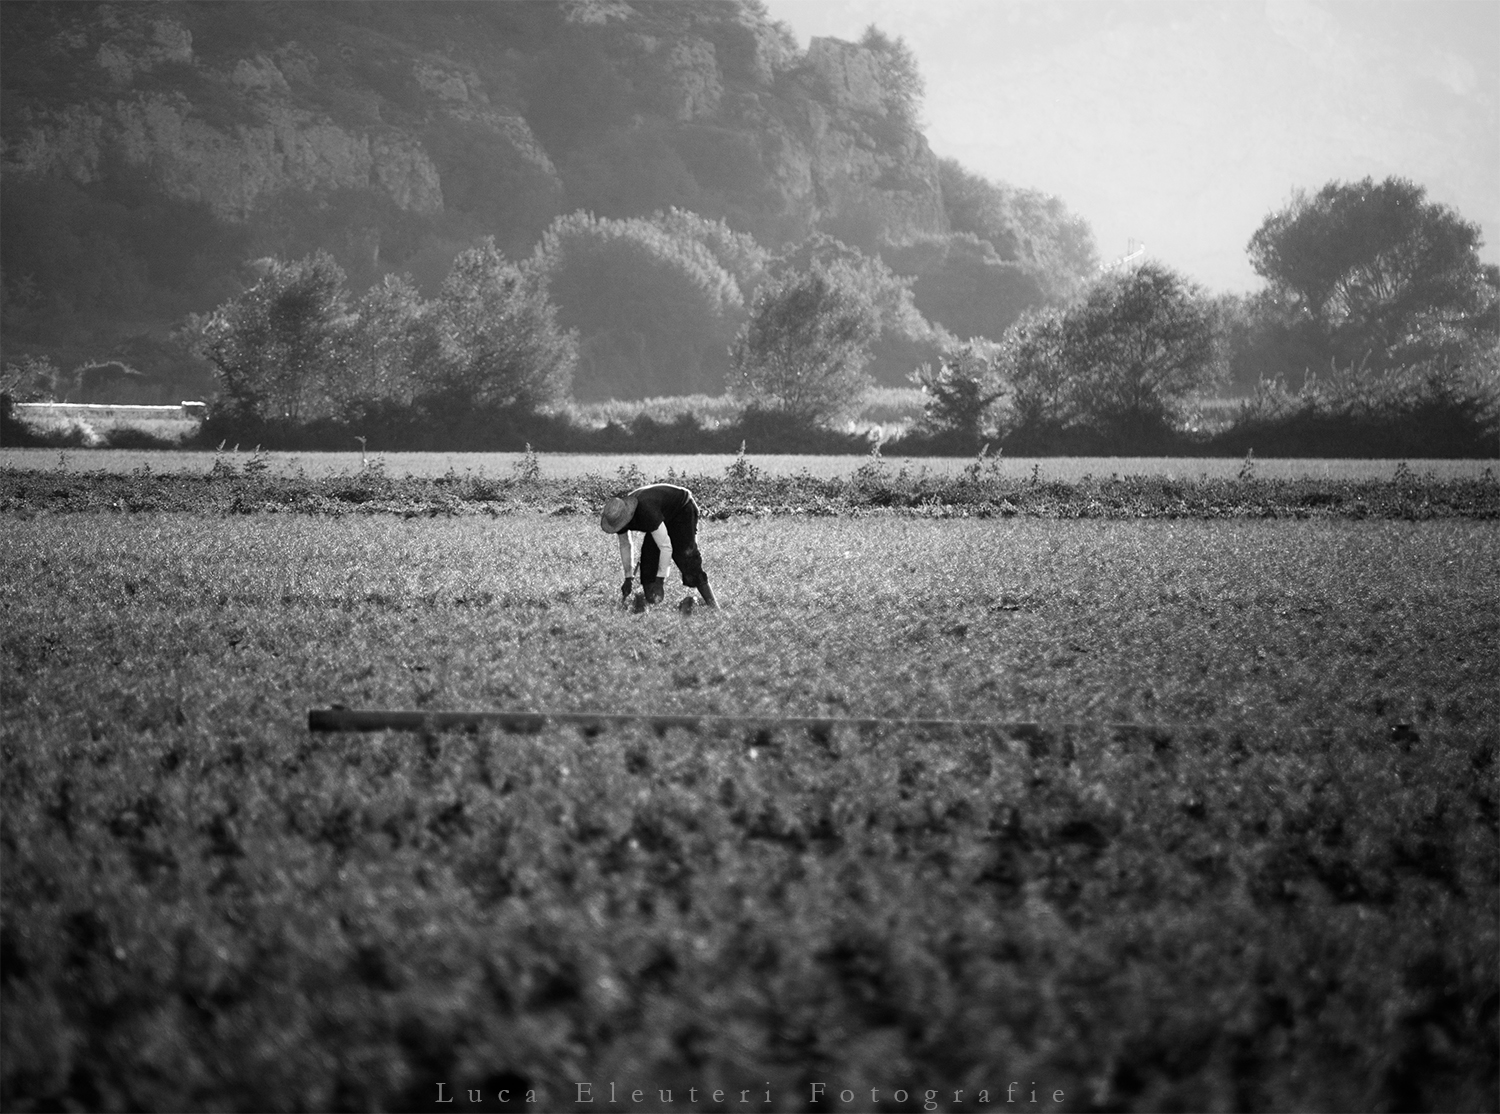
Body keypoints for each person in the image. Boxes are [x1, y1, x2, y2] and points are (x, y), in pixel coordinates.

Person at [600, 482, 718, 609]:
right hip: (661, 514)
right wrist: (628, 577)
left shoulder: (646, 512)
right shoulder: (617, 516)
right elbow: (625, 545)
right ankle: (650, 605)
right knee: (648, 559)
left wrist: (660, 580)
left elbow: (665, 547)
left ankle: (713, 607)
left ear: (627, 517)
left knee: (686, 556)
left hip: (682, 509)